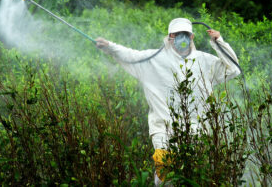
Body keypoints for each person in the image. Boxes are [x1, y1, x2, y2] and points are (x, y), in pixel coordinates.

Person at [96, 18, 240, 185]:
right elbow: (130, 55)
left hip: (197, 131)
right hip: (162, 129)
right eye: (177, 34)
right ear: (170, 36)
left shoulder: (204, 61)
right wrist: (109, 46)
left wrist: (219, 42)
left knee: (193, 177)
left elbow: (233, 69)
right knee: (165, 177)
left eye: (185, 34)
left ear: (192, 37)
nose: (182, 38)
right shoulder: (153, 59)